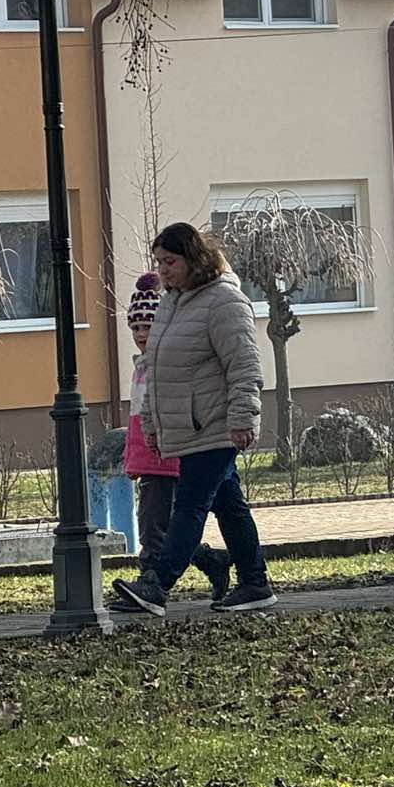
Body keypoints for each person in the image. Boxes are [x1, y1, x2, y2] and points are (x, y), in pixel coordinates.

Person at [109, 224, 274, 616]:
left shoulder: (224, 301)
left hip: (214, 424)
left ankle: (157, 584)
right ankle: (254, 583)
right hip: (188, 425)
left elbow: (244, 365)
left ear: (194, 258)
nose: (163, 271)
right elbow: (156, 368)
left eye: (170, 261)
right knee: (229, 505)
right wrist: (152, 424)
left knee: (189, 506)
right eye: (159, 262)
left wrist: (243, 418)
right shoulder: (172, 302)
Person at [112, 270, 229, 607]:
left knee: (153, 528)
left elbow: (164, 414)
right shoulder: (141, 367)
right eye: (135, 328)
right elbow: (138, 421)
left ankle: (148, 584)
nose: (140, 334)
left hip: (166, 456)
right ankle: (209, 560)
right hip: (149, 458)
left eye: (147, 327)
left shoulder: (163, 365)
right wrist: (133, 458)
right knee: (165, 527)